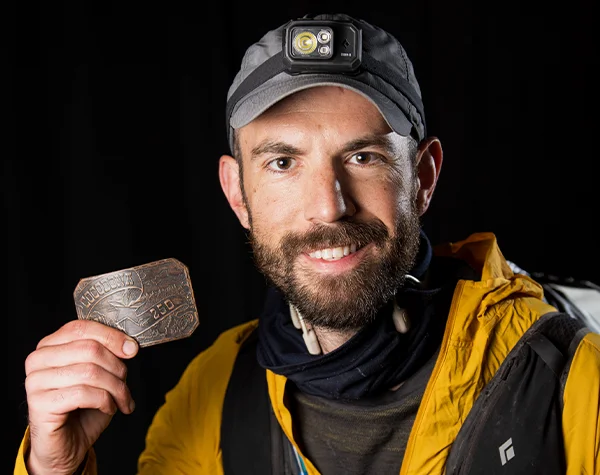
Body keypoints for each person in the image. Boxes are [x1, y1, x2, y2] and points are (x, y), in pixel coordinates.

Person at [14, 12, 600, 475]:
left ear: (422, 178)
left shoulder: (569, 378)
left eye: (363, 156)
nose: (329, 206)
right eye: (283, 162)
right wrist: (52, 467)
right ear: (237, 194)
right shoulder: (214, 395)